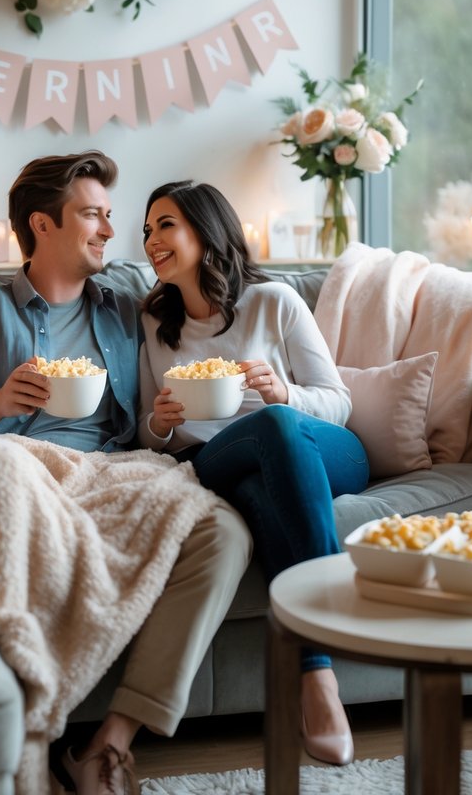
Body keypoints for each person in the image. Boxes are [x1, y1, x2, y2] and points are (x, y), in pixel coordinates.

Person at [0, 152, 251, 795]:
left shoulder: (128, 310)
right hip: (16, 464)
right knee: (4, 477)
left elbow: (217, 311)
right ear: (42, 225)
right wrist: (0, 402)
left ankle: (108, 742)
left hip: (114, 469)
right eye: (92, 215)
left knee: (223, 531)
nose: (110, 231)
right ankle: (20, 733)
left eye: (108, 216)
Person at [139, 179, 370, 768]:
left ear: (206, 230)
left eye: (165, 225)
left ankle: (314, 673)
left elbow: (338, 402)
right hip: (212, 459)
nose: (151, 240)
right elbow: (150, 435)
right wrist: (160, 423)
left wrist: (282, 391)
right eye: (147, 230)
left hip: (314, 446)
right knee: (263, 443)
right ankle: (320, 679)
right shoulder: (153, 320)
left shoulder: (276, 301)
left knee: (274, 435)